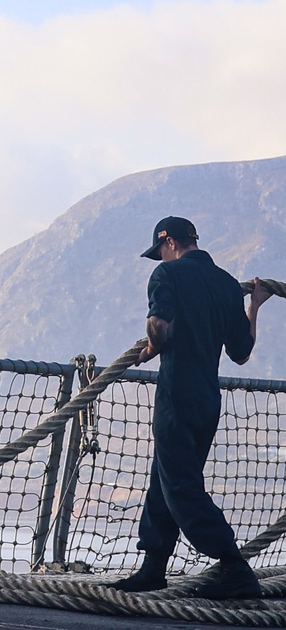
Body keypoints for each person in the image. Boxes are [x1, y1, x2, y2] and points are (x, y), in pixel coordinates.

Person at [112, 216, 271, 600]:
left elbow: (160, 327)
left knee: (180, 484)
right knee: (166, 476)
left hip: (178, 393)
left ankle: (232, 563)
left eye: (159, 252)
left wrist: (150, 348)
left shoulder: (167, 275)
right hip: (207, 398)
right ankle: (153, 567)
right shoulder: (225, 285)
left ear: (168, 241)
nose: (159, 259)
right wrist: (255, 307)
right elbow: (241, 354)